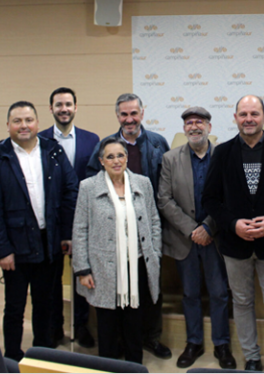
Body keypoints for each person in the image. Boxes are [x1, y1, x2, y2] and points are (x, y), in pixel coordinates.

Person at [202, 95, 264, 372]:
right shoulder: (221, 152)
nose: (249, 119)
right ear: (235, 117)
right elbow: (210, 199)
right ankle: (252, 359)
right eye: (243, 114)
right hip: (235, 246)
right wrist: (232, 223)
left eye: (254, 114)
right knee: (243, 303)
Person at [0, 101, 79, 361]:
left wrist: (66, 234)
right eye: (17, 121)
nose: (23, 126)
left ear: (37, 123)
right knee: (14, 306)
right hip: (14, 246)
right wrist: (2, 250)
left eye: (28, 120)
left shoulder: (52, 150)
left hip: (49, 243)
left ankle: (42, 355)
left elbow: (70, 192)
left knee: (44, 303)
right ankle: (12, 356)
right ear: (8, 125)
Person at [85, 93, 171, 358]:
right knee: (118, 293)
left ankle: (150, 338)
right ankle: (121, 343)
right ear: (118, 116)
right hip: (112, 232)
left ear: (142, 113)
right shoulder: (105, 145)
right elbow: (93, 182)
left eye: (134, 113)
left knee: (148, 290)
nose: (129, 119)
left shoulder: (158, 143)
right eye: (124, 114)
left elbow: (166, 183)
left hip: (147, 228)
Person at [157, 107, 236, 369]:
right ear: (184, 129)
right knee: (189, 294)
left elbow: (229, 197)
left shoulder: (224, 156)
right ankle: (194, 342)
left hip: (215, 238)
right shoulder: (170, 158)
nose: (194, 127)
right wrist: (192, 229)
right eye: (189, 123)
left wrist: (208, 228)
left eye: (199, 122)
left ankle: (222, 344)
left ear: (209, 128)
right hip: (185, 239)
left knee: (219, 293)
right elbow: (164, 199)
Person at [72, 137, 162, 364]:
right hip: (103, 266)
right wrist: (82, 269)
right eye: (110, 157)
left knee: (134, 325)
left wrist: (156, 254)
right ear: (101, 161)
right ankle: (108, 367)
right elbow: (80, 229)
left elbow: (154, 221)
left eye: (120, 155)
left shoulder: (143, 183)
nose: (116, 160)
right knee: (107, 326)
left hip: (138, 264)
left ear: (127, 157)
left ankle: (134, 366)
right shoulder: (88, 187)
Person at [39, 87, 99, 348]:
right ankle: (55, 328)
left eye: (68, 104)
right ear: (50, 108)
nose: (64, 109)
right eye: (58, 104)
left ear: (76, 107)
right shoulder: (39, 140)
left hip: (83, 220)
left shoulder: (91, 139)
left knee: (83, 278)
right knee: (51, 279)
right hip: (51, 223)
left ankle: (81, 326)